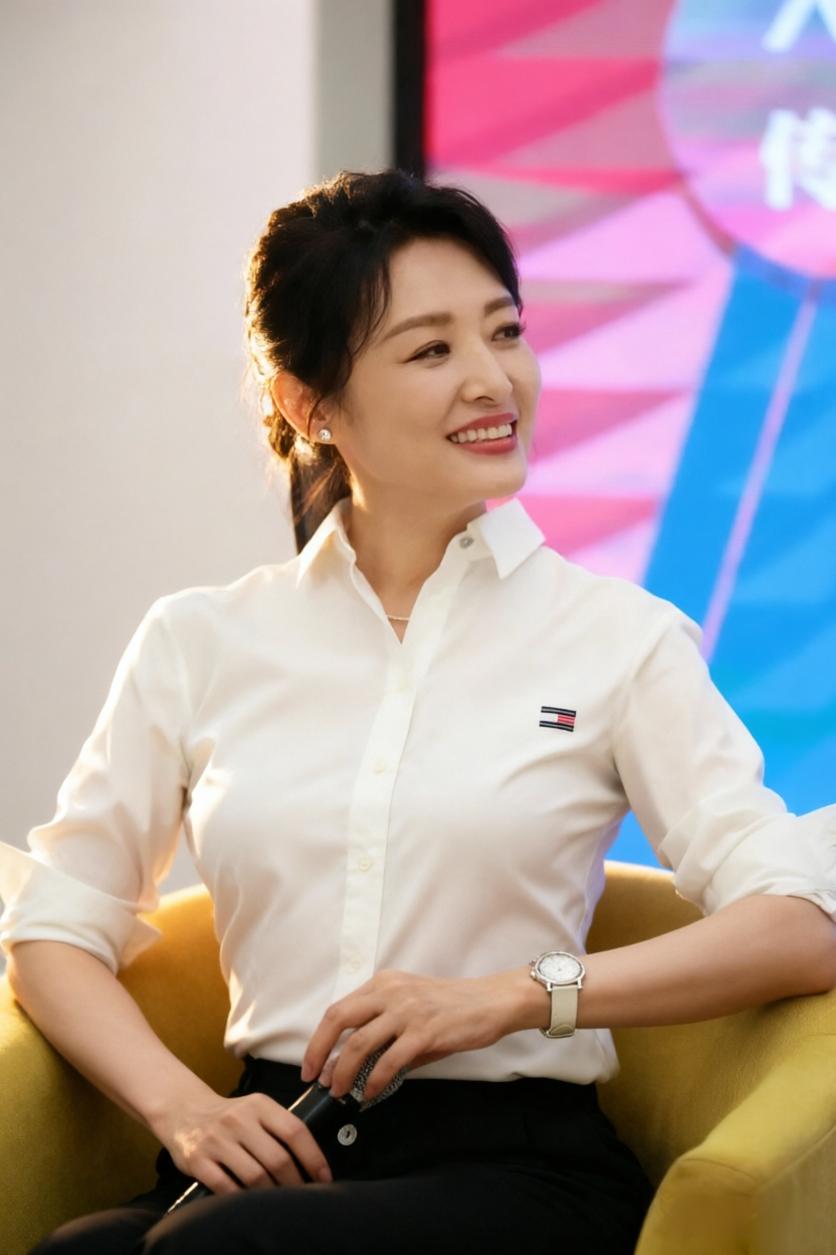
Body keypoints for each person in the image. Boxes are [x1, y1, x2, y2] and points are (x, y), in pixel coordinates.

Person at [2, 168, 835, 1255]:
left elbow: (800, 923)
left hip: (515, 1172)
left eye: (505, 331)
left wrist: (517, 995)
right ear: (309, 404)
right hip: (272, 1148)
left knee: (220, 1251)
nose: (493, 379)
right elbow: (56, 929)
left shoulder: (618, 640)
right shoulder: (199, 640)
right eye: (431, 350)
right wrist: (184, 1107)